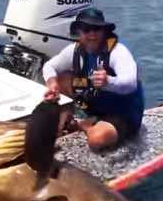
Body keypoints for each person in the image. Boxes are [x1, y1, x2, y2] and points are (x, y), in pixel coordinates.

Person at [42, 8, 145, 151]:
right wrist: (52, 84)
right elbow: (49, 66)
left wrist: (109, 81)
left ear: (104, 32)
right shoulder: (74, 51)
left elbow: (130, 84)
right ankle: (68, 120)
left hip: (123, 115)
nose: (92, 34)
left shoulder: (118, 52)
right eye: (86, 29)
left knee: (97, 140)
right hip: (96, 109)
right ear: (79, 33)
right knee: (60, 78)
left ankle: (83, 125)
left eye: (96, 29)